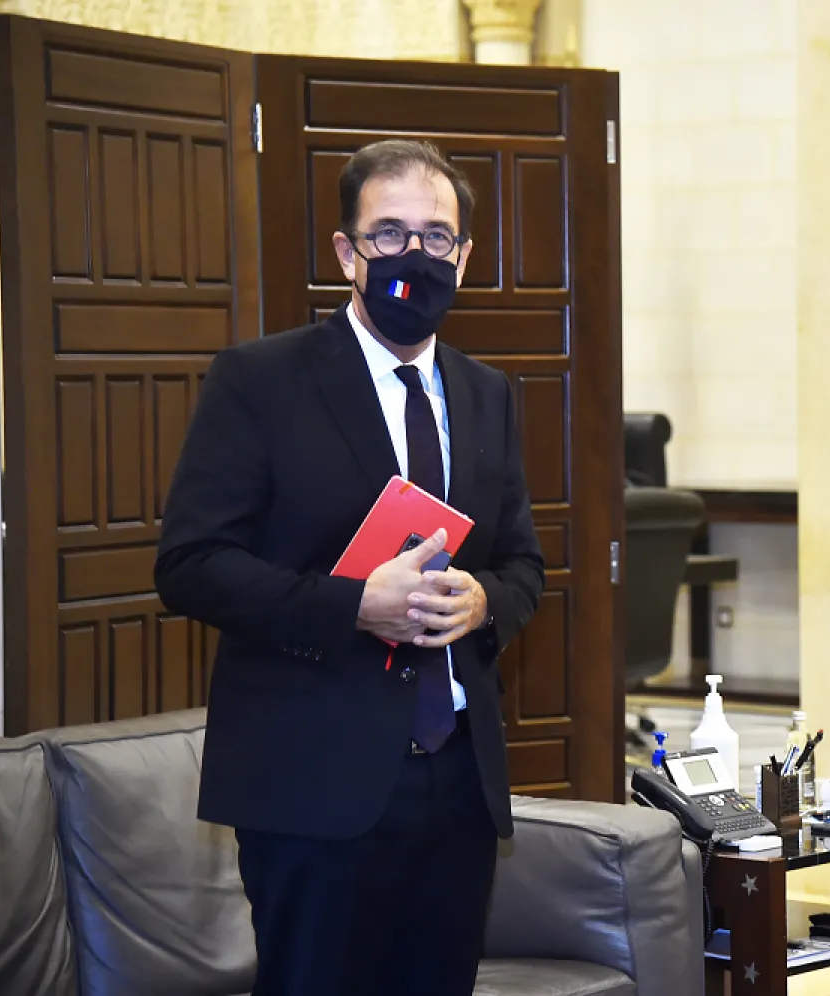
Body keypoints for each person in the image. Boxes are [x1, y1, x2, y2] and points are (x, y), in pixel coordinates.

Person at [155, 138, 544, 996]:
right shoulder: (259, 380)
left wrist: (484, 602)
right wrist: (352, 605)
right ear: (346, 252)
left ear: (464, 257)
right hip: (311, 784)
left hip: (458, 781)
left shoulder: (487, 392)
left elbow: (524, 563)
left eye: (436, 236)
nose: (415, 255)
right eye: (389, 233)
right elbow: (189, 564)